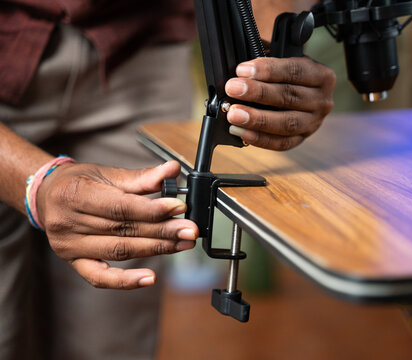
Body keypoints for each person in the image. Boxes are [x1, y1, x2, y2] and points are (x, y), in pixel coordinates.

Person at [0, 1, 336, 359]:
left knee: (112, 340)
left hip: (146, 44)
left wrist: (272, 55)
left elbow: (271, 27)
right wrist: (36, 183)